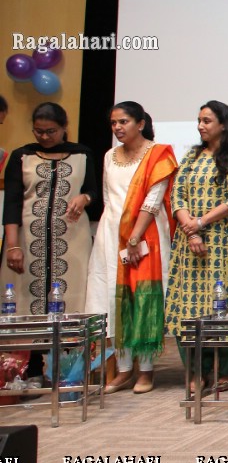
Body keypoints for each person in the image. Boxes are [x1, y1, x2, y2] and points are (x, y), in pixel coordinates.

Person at [83, 102, 177, 394]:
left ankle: (146, 371)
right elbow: (110, 200)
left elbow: (152, 200)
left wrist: (134, 238)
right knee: (113, 297)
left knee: (143, 299)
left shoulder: (158, 154)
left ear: (140, 123)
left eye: (123, 121)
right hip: (111, 235)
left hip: (146, 234)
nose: (117, 128)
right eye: (113, 123)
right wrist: (114, 234)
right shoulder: (110, 156)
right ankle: (124, 369)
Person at [3, 102, 99, 386]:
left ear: (64, 127)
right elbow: (11, 202)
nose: (45, 137)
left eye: (51, 131)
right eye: (39, 131)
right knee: (24, 301)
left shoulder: (83, 154)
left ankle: (67, 369)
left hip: (71, 241)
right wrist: (12, 246)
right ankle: (30, 368)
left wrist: (85, 198)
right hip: (27, 240)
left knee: (70, 299)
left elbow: (94, 191)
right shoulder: (22, 156)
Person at [165, 101, 228, 392]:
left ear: (223, 124)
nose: (200, 126)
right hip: (191, 243)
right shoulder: (192, 155)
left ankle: (224, 371)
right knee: (188, 308)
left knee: (226, 304)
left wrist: (201, 222)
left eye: (207, 121)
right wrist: (191, 229)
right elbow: (177, 195)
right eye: (199, 120)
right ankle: (195, 372)